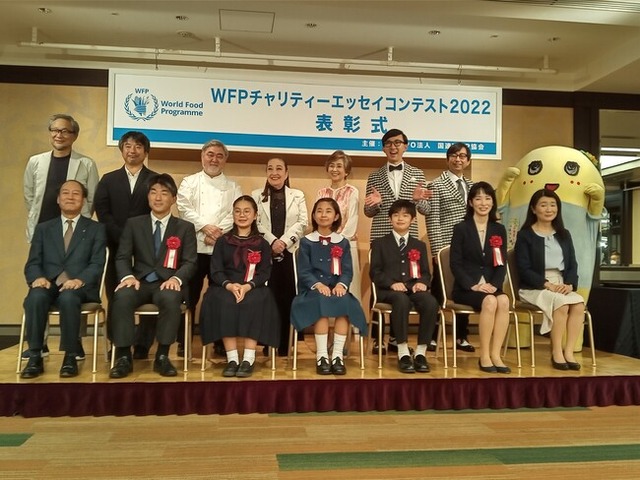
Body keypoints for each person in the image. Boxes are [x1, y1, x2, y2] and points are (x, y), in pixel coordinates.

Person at [109, 174, 197, 379]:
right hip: (138, 282)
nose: (158, 197)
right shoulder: (134, 224)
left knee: (171, 299)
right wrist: (127, 277)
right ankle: (123, 356)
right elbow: (122, 256)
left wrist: (176, 279)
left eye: (164, 193)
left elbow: (190, 261)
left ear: (173, 198)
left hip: (167, 283)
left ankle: (162, 356)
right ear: (148, 196)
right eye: (153, 192)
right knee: (122, 298)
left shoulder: (185, 228)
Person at [20, 180, 106, 379]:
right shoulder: (43, 228)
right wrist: (37, 278)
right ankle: (35, 355)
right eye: (65, 193)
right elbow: (33, 262)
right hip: (49, 283)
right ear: (58, 199)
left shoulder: (96, 229)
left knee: (68, 297)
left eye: (76, 194)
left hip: (80, 287)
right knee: (35, 297)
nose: (70, 197)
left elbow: (97, 263)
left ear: (83, 200)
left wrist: (79, 280)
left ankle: (70, 355)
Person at [364, 128, 431, 354]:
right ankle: (377, 339)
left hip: (408, 236)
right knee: (381, 284)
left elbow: (426, 209)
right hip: (382, 235)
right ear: (383, 148)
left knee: (405, 284)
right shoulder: (374, 176)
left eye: (398, 143)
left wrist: (417, 200)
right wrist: (375, 204)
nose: (393, 147)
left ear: (405, 146)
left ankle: (396, 339)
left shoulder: (417, 173)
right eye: (389, 143)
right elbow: (368, 211)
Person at [199, 196, 280, 378]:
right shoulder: (222, 241)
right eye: (238, 211)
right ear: (233, 214)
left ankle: (248, 359)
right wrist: (230, 286)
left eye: (246, 211)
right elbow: (216, 270)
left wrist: (247, 287)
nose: (242, 215)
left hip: (253, 287)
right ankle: (232, 358)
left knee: (257, 301)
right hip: (226, 286)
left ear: (255, 215)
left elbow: (265, 272)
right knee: (224, 302)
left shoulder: (262, 243)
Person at [94, 131, 158, 358]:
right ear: (122, 150)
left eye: (138, 146)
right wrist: (122, 237)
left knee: (149, 292)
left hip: (147, 249)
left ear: (145, 151)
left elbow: (157, 211)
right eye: (128, 146)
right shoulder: (108, 179)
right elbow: (102, 211)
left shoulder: (155, 179)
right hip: (114, 246)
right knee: (117, 295)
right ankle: (117, 343)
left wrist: (138, 238)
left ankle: (143, 344)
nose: (133, 150)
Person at [177, 140, 242, 357]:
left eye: (219, 156)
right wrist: (205, 227)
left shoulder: (234, 187)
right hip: (193, 248)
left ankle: (220, 341)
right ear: (202, 156)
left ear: (225, 160)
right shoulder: (189, 182)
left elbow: (235, 213)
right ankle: (184, 341)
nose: (214, 159)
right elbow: (184, 208)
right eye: (210, 154)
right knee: (189, 295)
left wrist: (217, 233)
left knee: (221, 297)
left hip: (221, 249)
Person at [290, 198, 367, 375]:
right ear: (314, 215)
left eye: (328, 211)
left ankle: (337, 355)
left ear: (336, 216)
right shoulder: (306, 242)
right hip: (312, 291)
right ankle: (322, 356)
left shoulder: (342, 242)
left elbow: (347, 271)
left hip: (336, 289)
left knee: (344, 304)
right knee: (322, 304)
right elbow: (304, 271)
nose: (323, 215)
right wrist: (317, 285)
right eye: (319, 211)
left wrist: (341, 285)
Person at [514, 189, 585, 371]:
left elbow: (572, 264)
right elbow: (523, 269)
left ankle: (569, 351)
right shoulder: (525, 235)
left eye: (553, 205)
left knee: (578, 304)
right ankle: (556, 352)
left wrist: (570, 284)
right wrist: (547, 285)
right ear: (533, 209)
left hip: (561, 283)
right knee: (562, 304)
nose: (549, 209)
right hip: (535, 286)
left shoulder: (564, 234)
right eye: (543, 205)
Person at [370, 200, 439, 373]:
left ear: (413, 220)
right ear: (389, 219)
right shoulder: (379, 243)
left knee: (430, 302)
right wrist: (392, 283)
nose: (400, 219)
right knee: (401, 300)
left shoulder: (419, 245)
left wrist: (422, 283)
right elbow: (375, 272)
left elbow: (426, 273)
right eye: (396, 215)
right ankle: (402, 352)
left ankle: (421, 352)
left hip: (413, 289)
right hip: (388, 291)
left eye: (405, 215)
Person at [450, 181, 511, 374]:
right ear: (471, 202)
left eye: (487, 198)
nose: (483, 203)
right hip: (467, 288)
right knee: (491, 302)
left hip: (490, 286)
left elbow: (501, 263)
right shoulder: (461, 228)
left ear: (493, 202)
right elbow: (455, 264)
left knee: (504, 300)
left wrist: (494, 284)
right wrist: (473, 285)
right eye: (478, 199)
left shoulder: (499, 229)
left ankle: (496, 355)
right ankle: (484, 355)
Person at [252, 157, 307, 356]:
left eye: (279, 168)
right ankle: (268, 342)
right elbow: (255, 223)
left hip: (290, 253)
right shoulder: (256, 195)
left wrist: (283, 242)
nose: (274, 172)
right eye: (270, 168)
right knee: (268, 298)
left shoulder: (297, 195)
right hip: (266, 253)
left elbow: (302, 222)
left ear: (286, 172)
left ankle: (286, 343)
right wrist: (273, 242)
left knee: (288, 298)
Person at [425, 142, 475, 353]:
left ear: (468, 161)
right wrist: (437, 251)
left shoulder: (473, 187)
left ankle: (461, 336)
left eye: (462, 156)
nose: (458, 159)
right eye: (454, 155)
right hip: (445, 246)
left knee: (465, 288)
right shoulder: (436, 184)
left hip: (469, 248)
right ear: (447, 160)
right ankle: (431, 336)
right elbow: (432, 219)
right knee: (438, 291)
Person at [24, 114, 99, 243]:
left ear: (74, 136)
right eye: (54, 130)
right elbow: (29, 195)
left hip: (73, 230)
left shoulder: (87, 164)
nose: (59, 135)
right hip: (42, 228)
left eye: (64, 131)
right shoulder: (35, 161)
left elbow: (92, 199)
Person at [316, 150, 361, 303]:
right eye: (332, 165)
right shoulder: (322, 192)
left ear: (346, 171)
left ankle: (352, 318)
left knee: (349, 289)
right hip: (323, 246)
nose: (334, 169)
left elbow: (353, 219)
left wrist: (338, 242)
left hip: (346, 245)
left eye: (339, 166)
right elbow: (317, 219)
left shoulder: (352, 192)